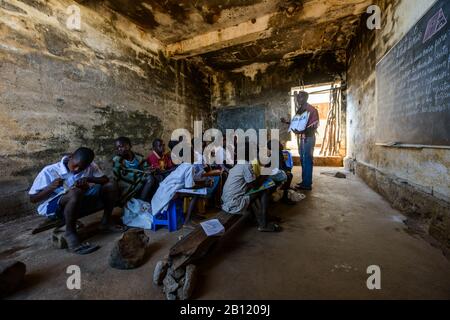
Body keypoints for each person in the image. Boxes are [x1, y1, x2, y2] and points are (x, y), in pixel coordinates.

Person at [29, 147, 122, 255]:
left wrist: (88, 179)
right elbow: (33, 199)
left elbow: (104, 179)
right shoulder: (49, 171)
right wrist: (50, 187)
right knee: (75, 192)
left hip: (80, 201)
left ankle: (106, 221)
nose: (77, 169)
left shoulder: (90, 166)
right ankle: (70, 234)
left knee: (111, 185)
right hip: (55, 208)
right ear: (70, 157)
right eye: (75, 165)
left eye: (82, 168)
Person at [221, 142, 281, 232]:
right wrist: (265, 174)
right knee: (264, 191)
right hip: (234, 204)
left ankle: (261, 217)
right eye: (254, 151)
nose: (255, 153)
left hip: (227, 202)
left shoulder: (239, 164)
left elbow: (252, 185)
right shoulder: (246, 166)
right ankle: (263, 224)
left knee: (253, 192)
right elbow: (255, 186)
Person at [282, 91, 319, 190]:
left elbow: (313, 126)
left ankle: (307, 184)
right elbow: (297, 123)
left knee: (307, 160)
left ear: (306, 98)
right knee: (303, 160)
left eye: (300, 97)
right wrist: (287, 122)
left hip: (309, 138)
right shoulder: (301, 110)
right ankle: (305, 181)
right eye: (298, 98)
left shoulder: (311, 110)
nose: (298, 99)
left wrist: (301, 132)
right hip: (303, 138)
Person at [113, 137, 156, 204]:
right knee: (149, 178)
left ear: (128, 145)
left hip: (141, 184)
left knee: (157, 177)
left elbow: (145, 167)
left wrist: (149, 169)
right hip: (129, 187)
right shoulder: (117, 160)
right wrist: (144, 172)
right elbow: (124, 175)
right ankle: (141, 202)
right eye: (117, 148)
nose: (119, 149)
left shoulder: (138, 157)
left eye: (121, 146)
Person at [266, 140, 295, 205]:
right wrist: (286, 171)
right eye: (279, 144)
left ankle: (285, 189)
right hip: (272, 173)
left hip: (273, 171)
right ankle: (285, 196)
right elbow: (279, 168)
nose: (281, 145)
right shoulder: (276, 154)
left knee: (288, 173)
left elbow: (281, 165)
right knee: (289, 175)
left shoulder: (276, 153)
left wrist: (287, 169)